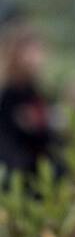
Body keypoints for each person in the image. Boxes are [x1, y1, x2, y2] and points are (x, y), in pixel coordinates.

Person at [0, 22, 60, 176]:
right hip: (20, 172)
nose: (39, 57)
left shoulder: (36, 90)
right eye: (33, 51)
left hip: (41, 169)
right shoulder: (10, 93)